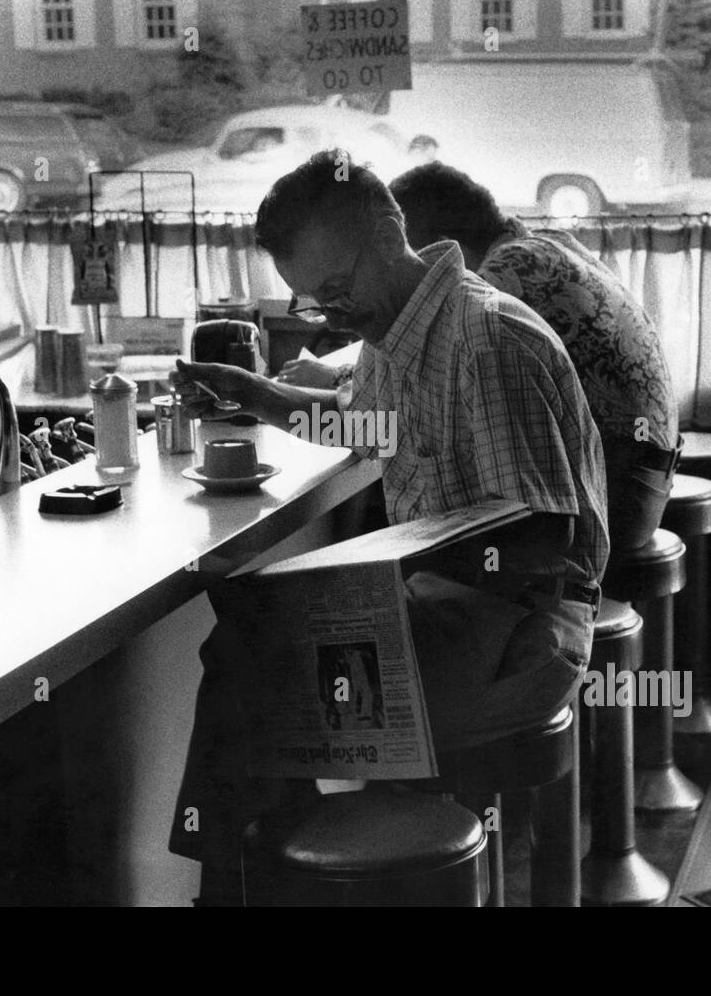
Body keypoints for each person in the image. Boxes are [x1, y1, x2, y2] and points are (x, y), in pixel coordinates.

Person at [168, 150, 608, 902]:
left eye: (337, 291)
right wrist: (259, 393)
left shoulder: (485, 339)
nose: (333, 316)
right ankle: (254, 882)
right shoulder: (390, 337)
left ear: (387, 230)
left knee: (248, 666)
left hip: (522, 634)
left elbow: (545, 542)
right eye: (315, 305)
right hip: (453, 614)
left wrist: (389, 575)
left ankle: (242, 889)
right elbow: (359, 424)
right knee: (248, 648)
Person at [283, 161, 679, 551]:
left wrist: (333, 377)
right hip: (648, 472)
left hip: (619, 496)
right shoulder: (545, 243)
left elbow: (425, 363)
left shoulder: (500, 281)